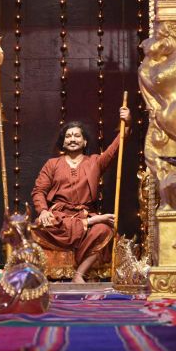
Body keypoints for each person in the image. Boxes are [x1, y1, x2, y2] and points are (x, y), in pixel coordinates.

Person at [31, 106, 131, 284]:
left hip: (84, 213)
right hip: (59, 217)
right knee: (39, 225)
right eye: (68, 136)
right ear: (63, 142)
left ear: (85, 142)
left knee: (104, 229)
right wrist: (43, 211)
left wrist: (127, 123)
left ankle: (79, 274)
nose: (72, 139)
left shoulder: (95, 162)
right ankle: (90, 222)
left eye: (77, 136)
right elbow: (39, 191)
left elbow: (115, 149)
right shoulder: (52, 164)